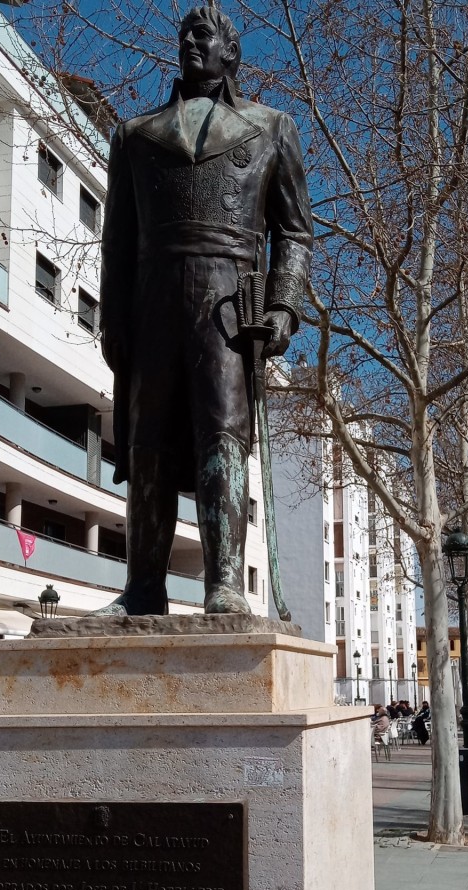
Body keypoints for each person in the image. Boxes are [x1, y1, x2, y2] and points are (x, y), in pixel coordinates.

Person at [97, 6, 313, 616]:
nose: (190, 41)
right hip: (153, 302)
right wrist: (114, 321)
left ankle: (222, 582)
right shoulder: (135, 135)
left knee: (224, 433)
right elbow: (116, 241)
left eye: (204, 34)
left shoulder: (272, 127)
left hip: (228, 304)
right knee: (148, 444)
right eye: (184, 34)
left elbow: (294, 233)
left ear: (231, 53)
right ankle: (142, 588)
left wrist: (283, 309)